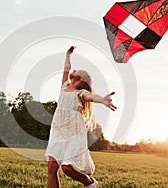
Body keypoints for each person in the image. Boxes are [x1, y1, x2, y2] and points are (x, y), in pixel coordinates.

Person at [45, 46, 117, 188]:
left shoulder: (80, 93)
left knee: (67, 168)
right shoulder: (65, 86)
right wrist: (68, 56)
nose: (74, 70)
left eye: (78, 71)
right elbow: (66, 69)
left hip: (73, 131)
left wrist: (102, 99)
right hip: (58, 130)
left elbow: (90, 96)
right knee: (52, 166)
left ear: (82, 79)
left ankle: (90, 183)